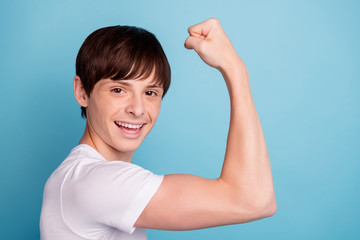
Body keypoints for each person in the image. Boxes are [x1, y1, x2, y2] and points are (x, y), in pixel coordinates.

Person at [40, 18, 276, 240]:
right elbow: (254, 200)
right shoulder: (95, 182)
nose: (138, 109)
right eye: (118, 90)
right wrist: (235, 69)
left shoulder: (77, 176)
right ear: (82, 92)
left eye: (150, 93)